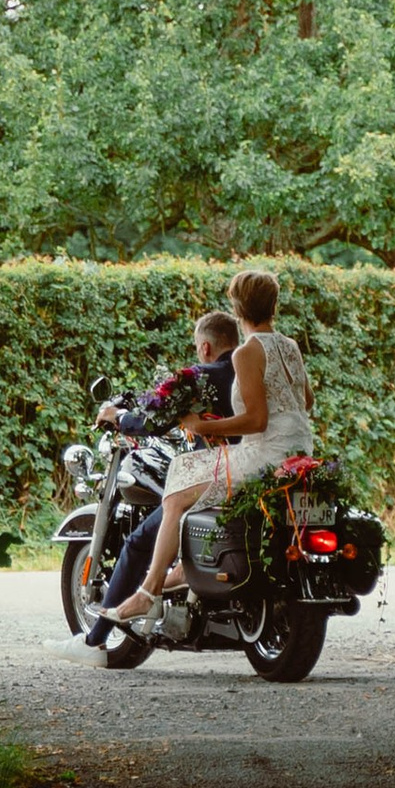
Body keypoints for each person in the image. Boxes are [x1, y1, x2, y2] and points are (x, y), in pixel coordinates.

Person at [105, 264, 316, 626]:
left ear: (237, 308)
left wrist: (201, 424)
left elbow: (257, 420)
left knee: (179, 479)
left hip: (266, 453)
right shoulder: (290, 346)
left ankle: (149, 592)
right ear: (273, 306)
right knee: (199, 482)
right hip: (300, 449)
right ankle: (187, 570)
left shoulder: (246, 352)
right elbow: (305, 402)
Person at [80, 311, 237, 643]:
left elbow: (153, 421)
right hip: (257, 465)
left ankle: (96, 638)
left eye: (198, 347)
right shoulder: (253, 371)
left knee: (138, 542)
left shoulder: (203, 376)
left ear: (205, 347)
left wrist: (119, 417)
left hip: (220, 472)